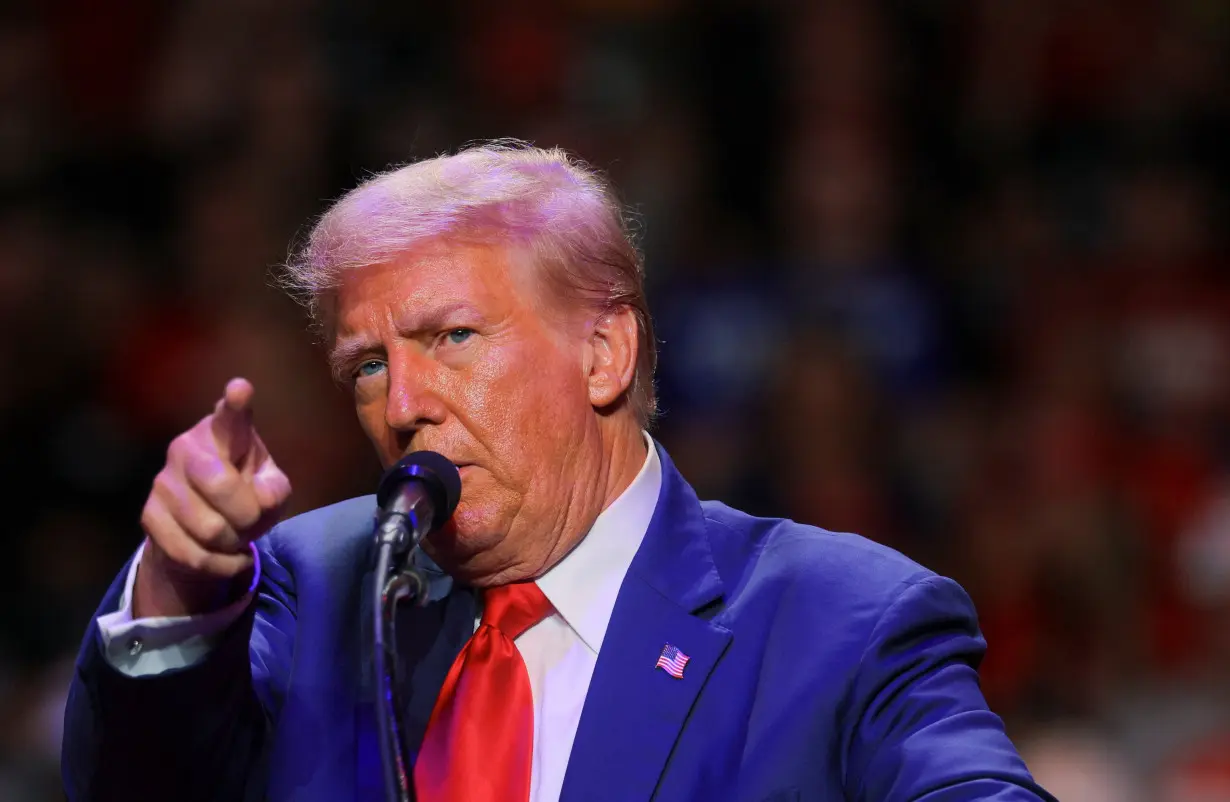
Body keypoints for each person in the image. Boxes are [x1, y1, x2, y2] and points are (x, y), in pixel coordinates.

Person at [61, 142, 1054, 802]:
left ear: (604, 353)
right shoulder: (301, 587)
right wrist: (179, 597)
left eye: (451, 335)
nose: (402, 401)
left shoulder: (839, 620)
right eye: (367, 363)